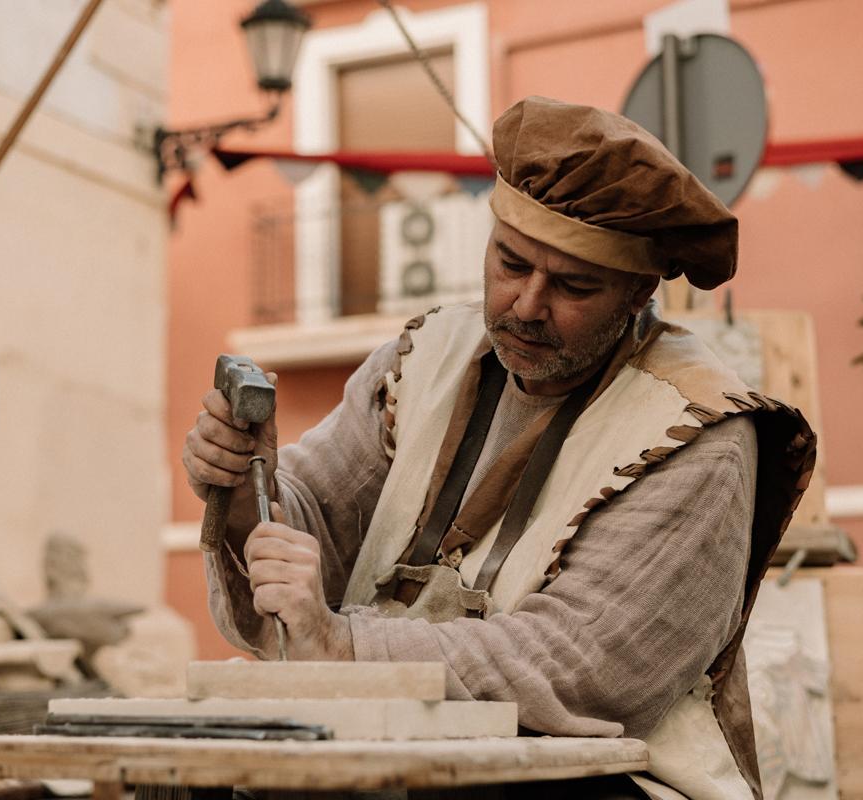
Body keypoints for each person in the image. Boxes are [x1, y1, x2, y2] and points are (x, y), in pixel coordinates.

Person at [182, 97, 816, 800]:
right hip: (392, 745)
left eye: (573, 285)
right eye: (510, 263)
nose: (525, 305)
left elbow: (578, 667)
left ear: (637, 293)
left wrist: (346, 647)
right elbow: (315, 520)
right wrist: (243, 490)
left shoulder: (703, 431)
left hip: (595, 780)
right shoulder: (421, 357)